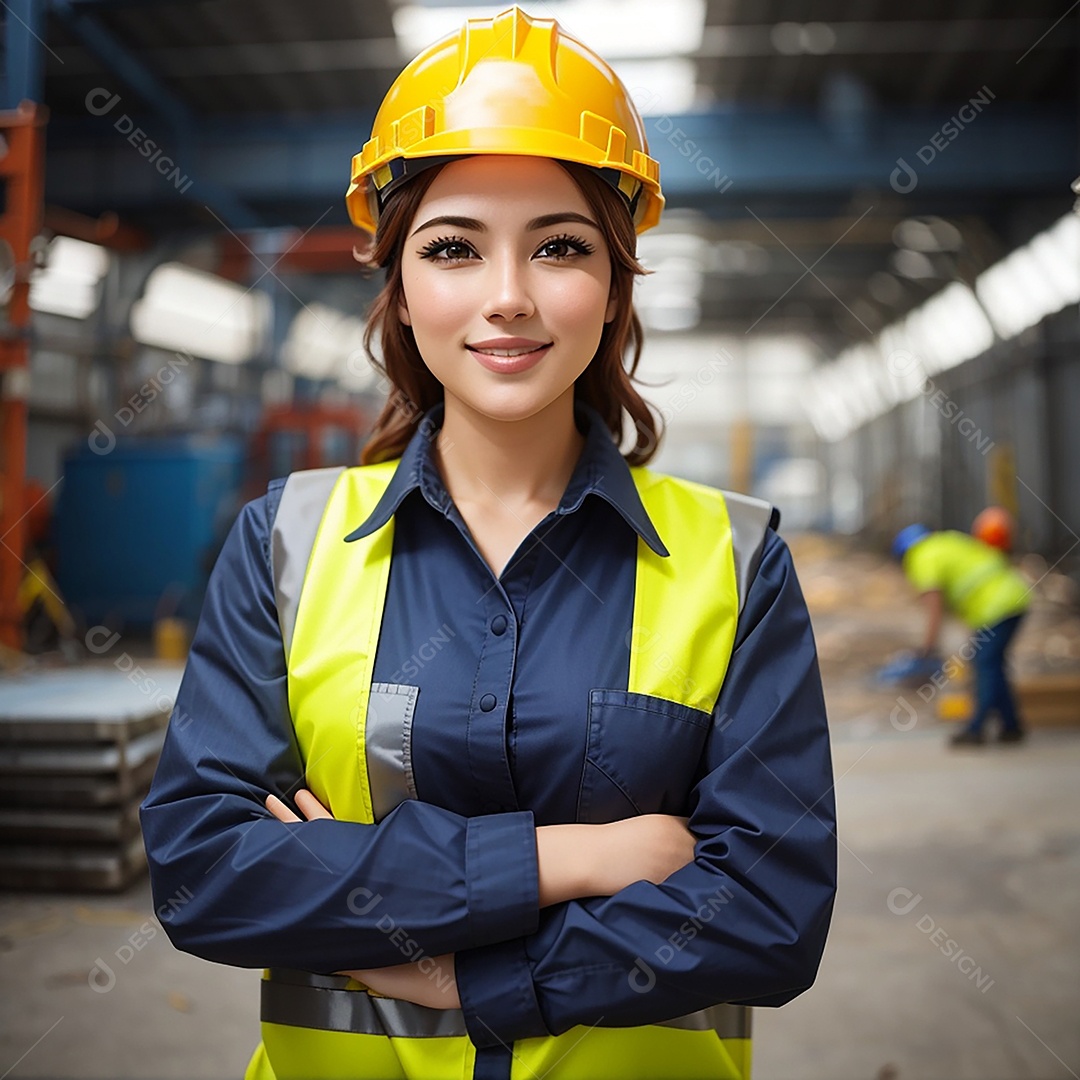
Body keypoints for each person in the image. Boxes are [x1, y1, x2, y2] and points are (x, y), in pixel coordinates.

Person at [139, 8, 837, 1079]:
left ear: (613, 287)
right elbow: (205, 874)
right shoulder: (282, 543)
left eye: (559, 247)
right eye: (454, 247)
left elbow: (769, 913)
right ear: (403, 288)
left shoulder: (736, 561)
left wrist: (461, 974)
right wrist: (582, 856)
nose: (507, 297)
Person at [892, 523, 1030, 747]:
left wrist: (927, 648)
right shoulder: (946, 541)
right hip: (1013, 597)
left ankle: (976, 729)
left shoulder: (921, 557)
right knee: (993, 665)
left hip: (997, 606)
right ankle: (1011, 726)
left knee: (985, 665)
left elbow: (934, 608)